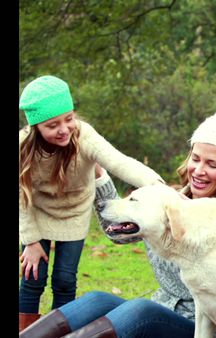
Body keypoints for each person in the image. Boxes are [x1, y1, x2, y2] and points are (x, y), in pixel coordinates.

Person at [19, 112, 216, 338]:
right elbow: (117, 233)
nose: (198, 171)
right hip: (160, 311)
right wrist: (99, 175)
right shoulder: (167, 201)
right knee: (97, 300)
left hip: (200, 328)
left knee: (141, 310)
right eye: (195, 159)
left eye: (212, 164)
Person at [18, 75, 165, 332]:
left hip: (73, 213)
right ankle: (26, 332)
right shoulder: (23, 147)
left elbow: (119, 161)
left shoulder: (84, 136)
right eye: (53, 125)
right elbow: (21, 196)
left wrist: (157, 185)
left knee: (64, 279)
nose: (64, 129)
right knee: (33, 278)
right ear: (36, 127)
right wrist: (30, 241)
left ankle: (61, 332)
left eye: (69, 118)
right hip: (37, 213)